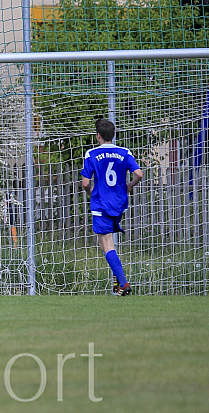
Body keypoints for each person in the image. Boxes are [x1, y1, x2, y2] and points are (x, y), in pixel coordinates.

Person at [81, 119, 143, 296]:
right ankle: (117, 284)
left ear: (98, 135)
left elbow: (85, 183)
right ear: (112, 135)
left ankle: (123, 284)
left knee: (106, 243)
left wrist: (90, 191)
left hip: (101, 203)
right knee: (106, 242)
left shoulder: (91, 154)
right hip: (119, 203)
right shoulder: (124, 152)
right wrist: (130, 185)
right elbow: (139, 173)